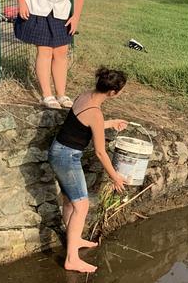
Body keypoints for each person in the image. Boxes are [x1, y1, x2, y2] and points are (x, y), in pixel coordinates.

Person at [48, 66, 129, 273]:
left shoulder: (85, 96)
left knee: (70, 202)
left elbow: (82, 124)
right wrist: (115, 177)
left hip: (58, 151)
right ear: (113, 92)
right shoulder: (96, 113)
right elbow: (101, 153)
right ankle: (72, 259)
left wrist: (109, 123)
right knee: (81, 206)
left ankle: (73, 241)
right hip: (67, 157)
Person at [15, 0, 89, 109]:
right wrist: (22, 3)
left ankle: (61, 95)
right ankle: (47, 96)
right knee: (45, 50)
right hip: (37, 8)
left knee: (61, 52)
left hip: (61, 11)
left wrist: (75, 17)